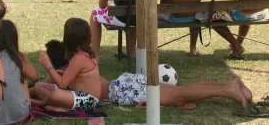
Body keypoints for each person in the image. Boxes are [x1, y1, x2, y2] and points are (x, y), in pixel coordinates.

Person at [40, 39, 255, 111]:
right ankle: (229, 85)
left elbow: (46, 86)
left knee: (180, 95)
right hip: (126, 84)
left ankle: (229, 90)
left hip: (124, 90)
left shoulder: (62, 73)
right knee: (179, 91)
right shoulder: (74, 65)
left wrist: (47, 66)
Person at [35, 18, 101, 112]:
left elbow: (62, 84)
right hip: (75, 92)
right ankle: (60, 105)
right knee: (38, 87)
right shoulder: (84, 53)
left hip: (88, 99)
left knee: (56, 95)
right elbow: (79, 77)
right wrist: (63, 73)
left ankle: (62, 108)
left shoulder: (79, 58)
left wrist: (48, 64)